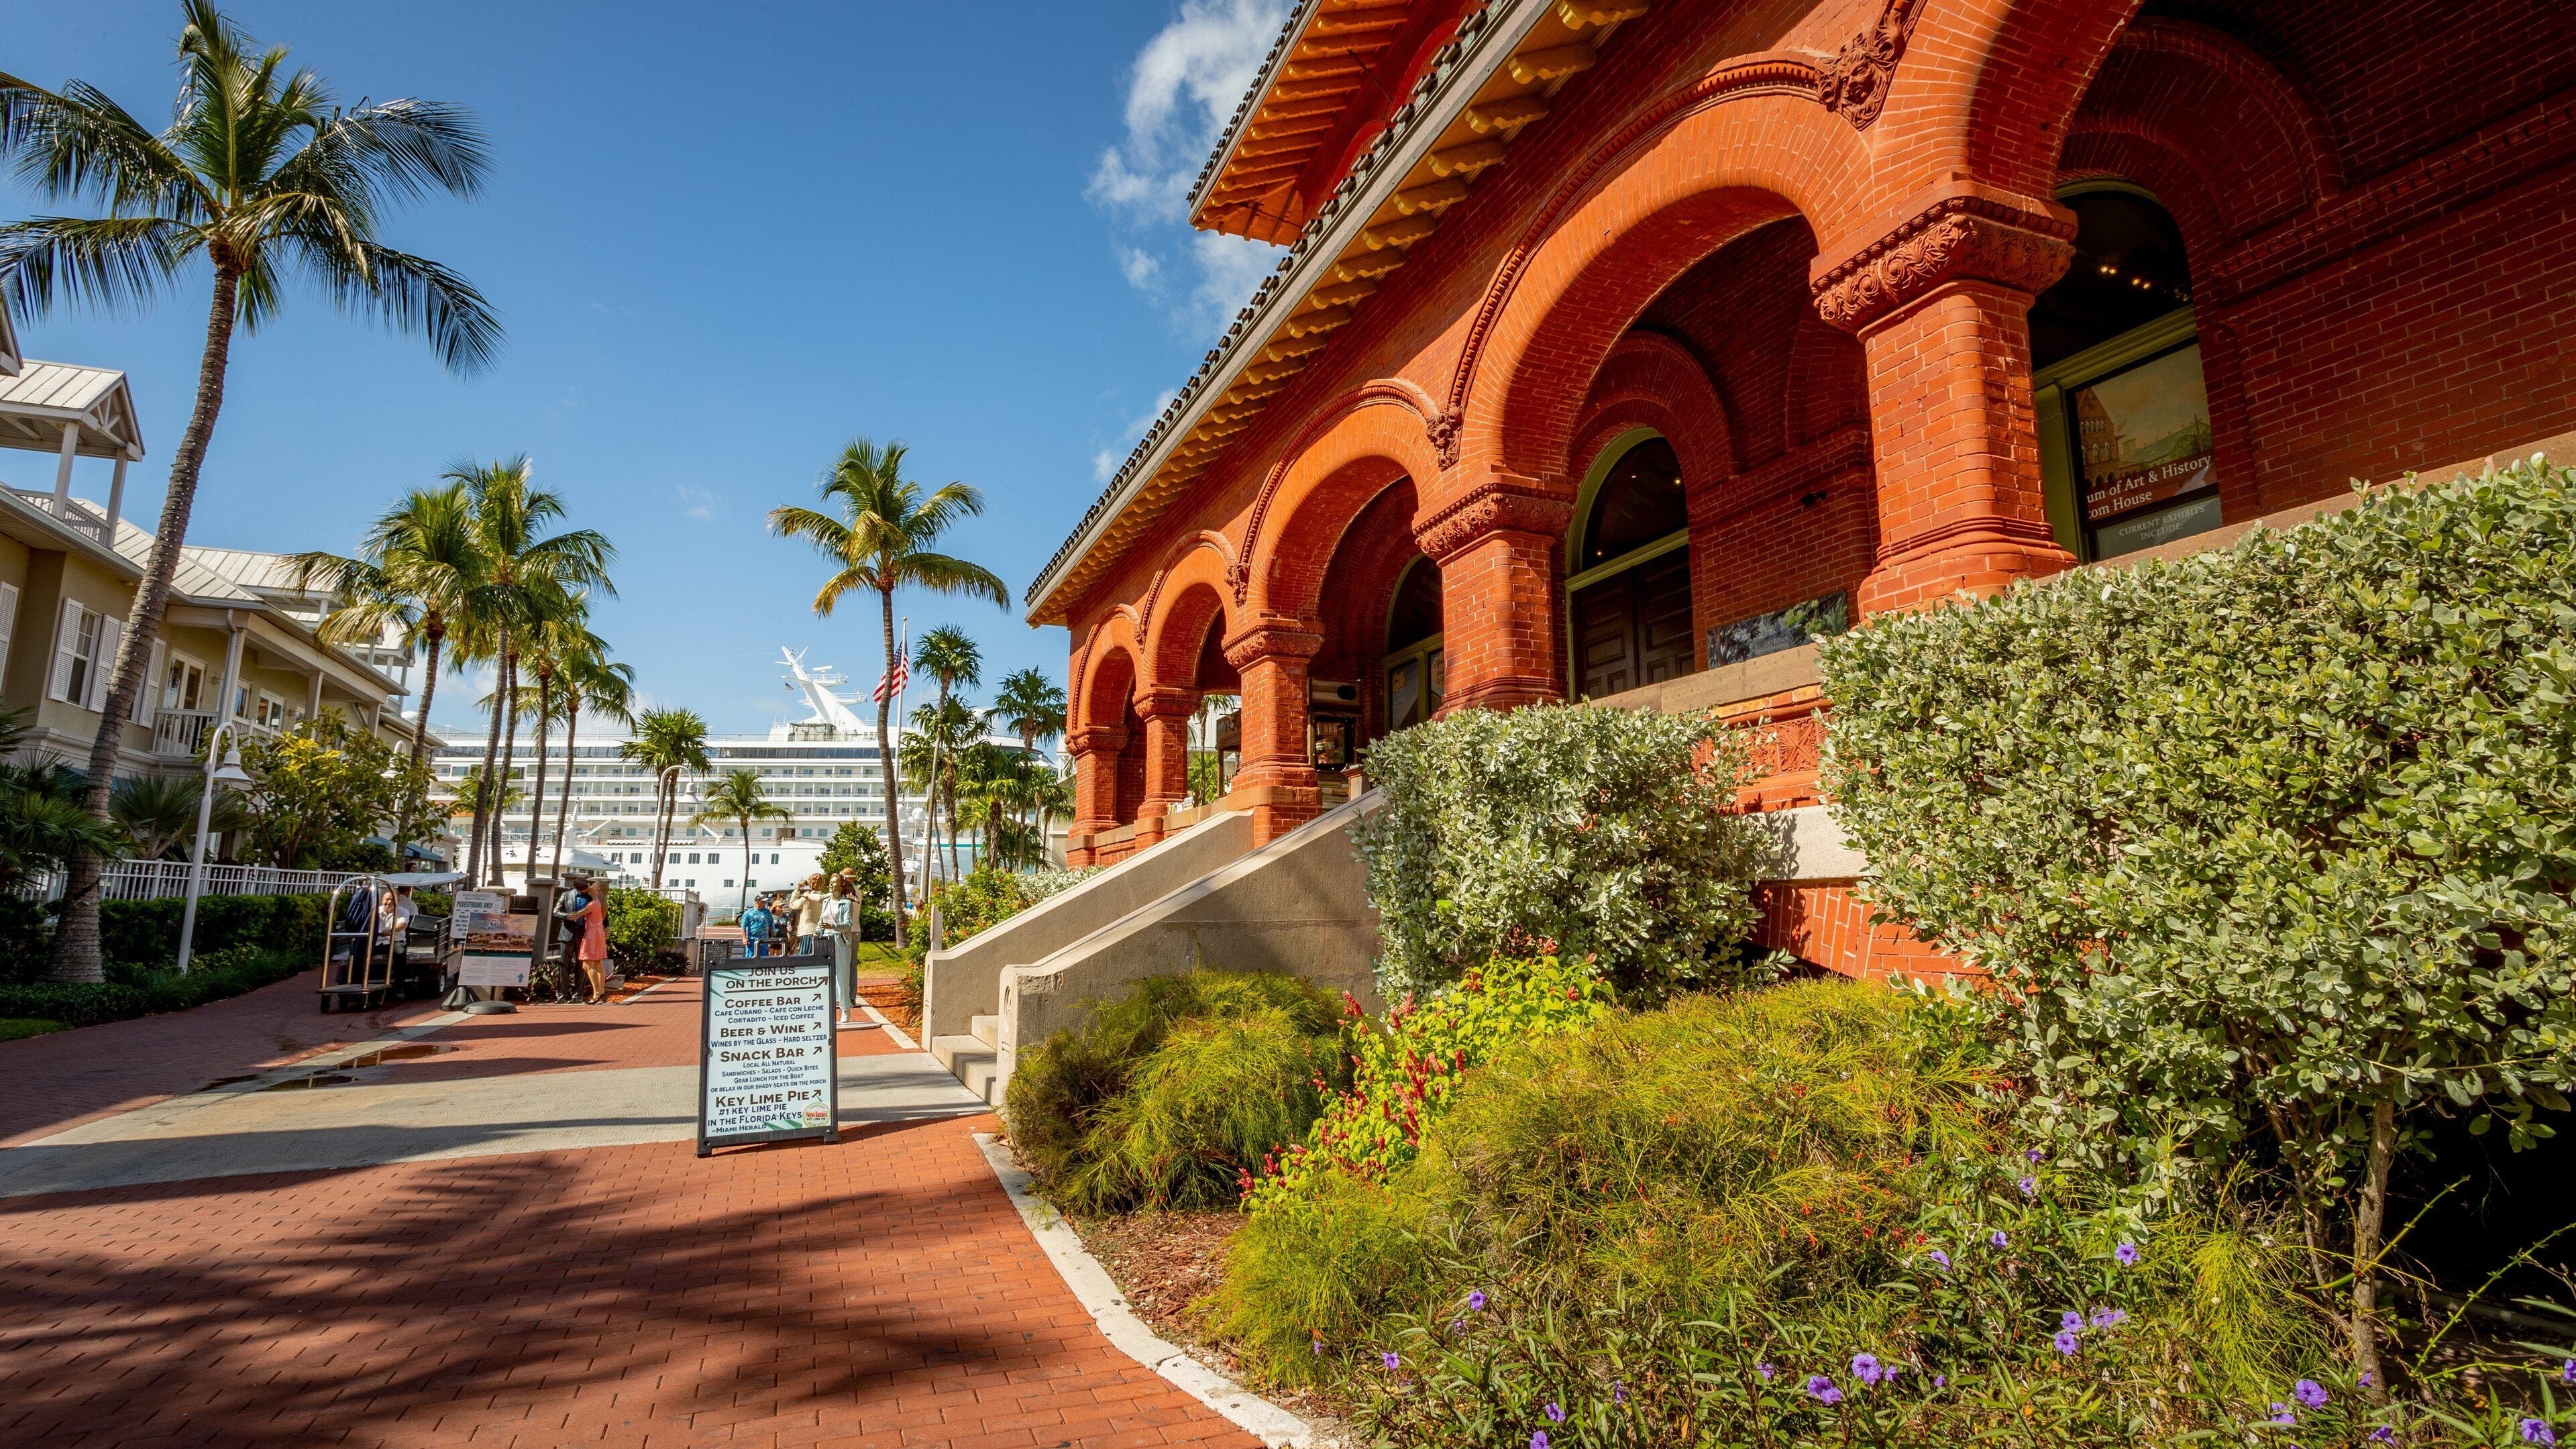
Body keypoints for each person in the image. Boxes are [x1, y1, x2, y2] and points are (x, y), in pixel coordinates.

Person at [557, 875, 608, 1003]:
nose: (589, 888)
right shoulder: (566, 895)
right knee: (564, 964)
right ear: (579, 889)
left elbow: (602, 913)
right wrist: (567, 916)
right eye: (586, 887)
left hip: (586, 934)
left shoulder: (591, 899)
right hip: (568, 934)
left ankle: (579, 995)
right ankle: (562, 994)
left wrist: (607, 925)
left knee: (583, 965)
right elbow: (556, 912)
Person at [820, 875, 859, 1024]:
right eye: (830, 881)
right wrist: (818, 932)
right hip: (825, 940)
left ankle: (845, 1009)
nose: (831, 884)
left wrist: (833, 927)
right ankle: (827, 1007)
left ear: (841, 885)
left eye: (834, 881)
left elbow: (848, 924)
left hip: (840, 940)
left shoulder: (847, 904)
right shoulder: (826, 902)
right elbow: (821, 922)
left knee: (842, 977)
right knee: (826, 976)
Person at [787, 873, 827, 957]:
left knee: (806, 958)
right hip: (821, 931)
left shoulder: (806, 898)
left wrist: (798, 889)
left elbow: (792, 905)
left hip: (807, 932)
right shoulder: (824, 898)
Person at [740, 894, 776, 959]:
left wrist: (772, 932)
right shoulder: (748, 913)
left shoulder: (767, 912)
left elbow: (771, 922)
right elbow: (743, 926)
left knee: (763, 957)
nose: (765, 903)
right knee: (750, 957)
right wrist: (744, 938)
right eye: (763, 902)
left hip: (764, 939)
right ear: (758, 902)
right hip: (752, 939)